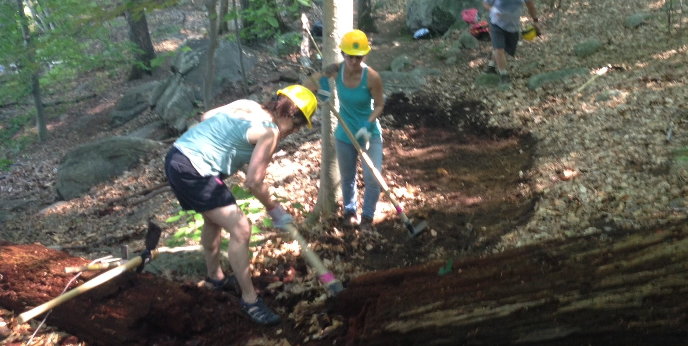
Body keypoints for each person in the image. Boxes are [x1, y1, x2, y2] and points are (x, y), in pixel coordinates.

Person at [164, 85, 317, 326]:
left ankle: (215, 277)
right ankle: (250, 300)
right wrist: (273, 208)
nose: (295, 131)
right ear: (291, 113)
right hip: (195, 171)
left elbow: (206, 118)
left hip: (177, 157)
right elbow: (254, 183)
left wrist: (234, 150)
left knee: (213, 219)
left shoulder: (248, 106)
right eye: (297, 125)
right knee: (242, 229)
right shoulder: (271, 132)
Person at [304, 29, 385, 234]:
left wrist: (368, 124)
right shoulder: (335, 70)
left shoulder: (372, 77)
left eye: (358, 57)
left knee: (373, 178)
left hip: (369, 134)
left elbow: (380, 105)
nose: (354, 61)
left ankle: (367, 218)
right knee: (347, 178)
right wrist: (321, 84)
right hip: (344, 133)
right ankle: (350, 213)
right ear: (343, 54)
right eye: (349, 56)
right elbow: (307, 83)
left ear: (364, 55)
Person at [483, 0, 541, 85]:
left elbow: (530, 4)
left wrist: (535, 20)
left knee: (503, 49)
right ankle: (503, 74)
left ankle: (491, 65)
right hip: (496, 24)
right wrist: (491, 9)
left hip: (513, 27)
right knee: (499, 49)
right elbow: (485, 3)